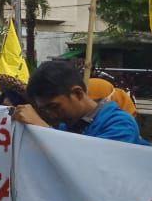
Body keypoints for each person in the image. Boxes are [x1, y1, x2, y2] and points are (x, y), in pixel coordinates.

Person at [14, 61, 150, 145]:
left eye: (54, 107)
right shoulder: (66, 127)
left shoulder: (120, 124)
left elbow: (95, 167)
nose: (51, 114)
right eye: (45, 109)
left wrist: (43, 129)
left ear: (78, 93)